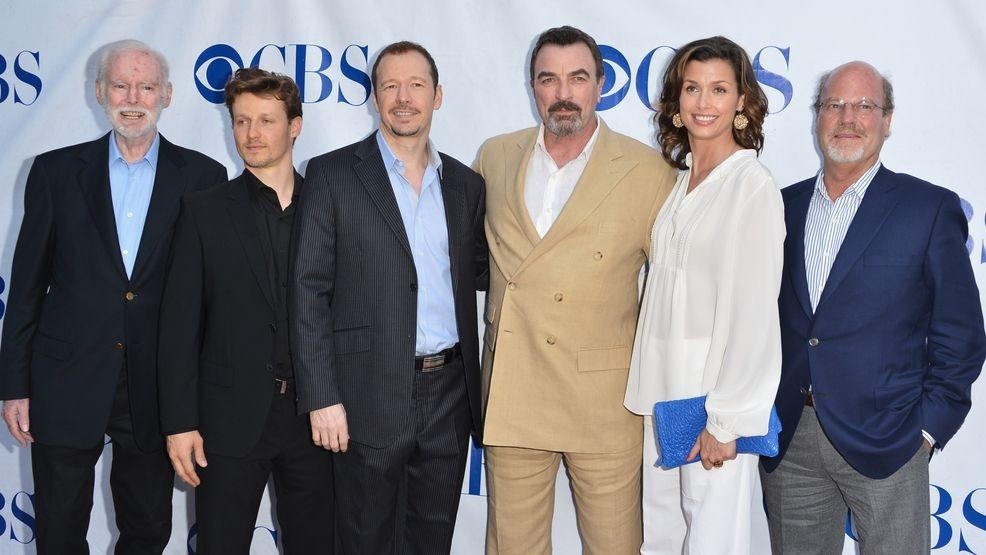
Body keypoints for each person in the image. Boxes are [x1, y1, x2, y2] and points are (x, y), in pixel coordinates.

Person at [0, 39, 227, 554]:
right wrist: (14, 385)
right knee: (58, 531)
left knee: (147, 529)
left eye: (145, 86)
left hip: (155, 386)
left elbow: (210, 299)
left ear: (167, 95)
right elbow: (28, 284)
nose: (133, 97)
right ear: (100, 91)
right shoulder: (55, 173)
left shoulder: (203, 178)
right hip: (65, 379)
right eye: (121, 85)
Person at [760, 61, 986, 554]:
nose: (848, 117)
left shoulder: (927, 209)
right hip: (792, 438)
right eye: (834, 104)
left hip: (890, 439)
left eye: (865, 106)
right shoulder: (780, 207)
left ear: (888, 120)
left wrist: (926, 431)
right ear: (817, 117)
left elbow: (962, 335)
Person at [475, 25, 676, 555]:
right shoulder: (495, 157)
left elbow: (676, 292)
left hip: (604, 399)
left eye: (578, 78)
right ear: (533, 86)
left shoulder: (648, 171)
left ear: (601, 84)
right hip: (514, 387)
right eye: (549, 79)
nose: (564, 92)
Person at [290, 41, 487, 554]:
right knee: (363, 540)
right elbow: (308, 290)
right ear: (374, 97)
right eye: (390, 86)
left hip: (449, 395)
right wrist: (322, 396)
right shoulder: (331, 175)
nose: (403, 97)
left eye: (416, 85)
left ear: (437, 96)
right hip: (362, 393)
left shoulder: (466, 186)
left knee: (431, 541)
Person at [157, 68, 333, 554]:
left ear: (295, 126)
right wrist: (180, 423)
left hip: (313, 419)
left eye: (266, 121)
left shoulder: (331, 204)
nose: (252, 134)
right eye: (241, 122)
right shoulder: (203, 210)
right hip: (227, 421)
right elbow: (178, 328)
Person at [623, 36, 784, 555]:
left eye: (718, 89)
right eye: (692, 88)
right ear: (676, 100)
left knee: (715, 544)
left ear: (742, 101)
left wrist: (728, 420)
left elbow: (754, 312)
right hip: (663, 396)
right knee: (663, 541)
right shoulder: (676, 182)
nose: (703, 102)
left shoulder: (752, 185)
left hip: (713, 403)